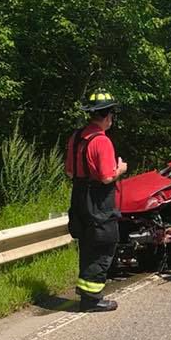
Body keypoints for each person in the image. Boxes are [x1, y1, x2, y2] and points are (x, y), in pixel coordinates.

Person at [65, 90, 128, 312]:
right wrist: (120, 169)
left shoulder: (76, 137)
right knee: (103, 244)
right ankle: (92, 299)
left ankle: (86, 292)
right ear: (108, 115)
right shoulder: (102, 141)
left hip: (79, 196)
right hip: (98, 201)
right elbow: (106, 177)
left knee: (87, 244)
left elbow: (71, 172)